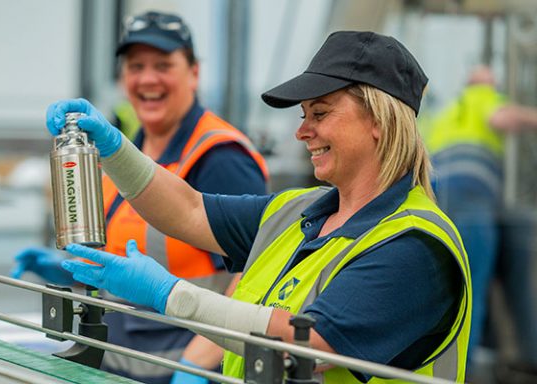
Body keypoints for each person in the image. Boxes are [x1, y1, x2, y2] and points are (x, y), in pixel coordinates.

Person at [45, 31, 472, 382]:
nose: (302, 132)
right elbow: (190, 210)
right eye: (303, 115)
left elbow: (311, 346)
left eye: (319, 113)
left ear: (379, 120)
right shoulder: (298, 212)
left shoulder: (414, 247)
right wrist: (113, 148)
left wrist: (168, 295)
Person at [12, 10, 268, 384]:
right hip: (118, 364)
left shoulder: (219, 157)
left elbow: (255, 278)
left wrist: (196, 367)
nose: (148, 78)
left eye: (163, 64)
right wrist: (74, 267)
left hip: (184, 369)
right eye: (136, 66)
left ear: (194, 72)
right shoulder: (126, 153)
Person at [424, 65, 537, 361]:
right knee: (473, 285)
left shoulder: (447, 114)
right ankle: (464, 368)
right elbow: (503, 117)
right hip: (472, 199)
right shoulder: (482, 99)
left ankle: (441, 362)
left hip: (440, 199)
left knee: (450, 285)